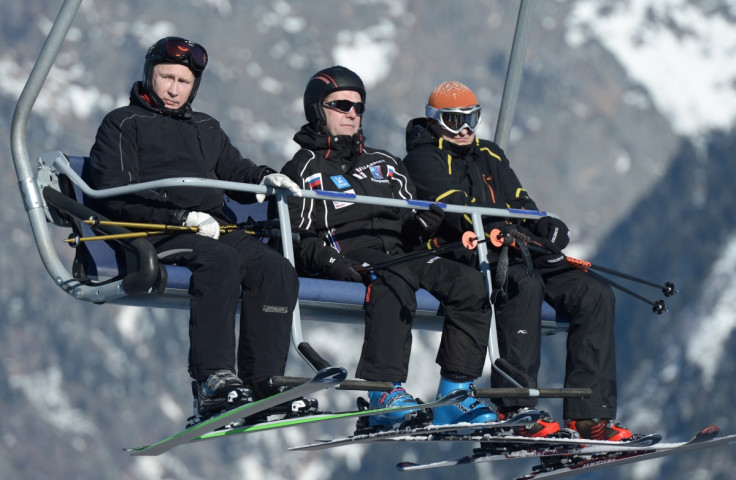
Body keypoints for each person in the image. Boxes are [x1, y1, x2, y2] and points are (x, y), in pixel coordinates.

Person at [88, 37, 306, 426]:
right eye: (165, 77)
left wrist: (264, 178)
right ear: (149, 75)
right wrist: (180, 218)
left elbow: (235, 169)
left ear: (195, 86)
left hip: (211, 227)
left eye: (183, 81)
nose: (173, 89)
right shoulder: (123, 123)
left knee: (275, 269)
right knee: (221, 262)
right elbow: (114, 192)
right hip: (155, 229)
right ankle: (212, 381)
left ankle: (264, 382)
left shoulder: (205, 127)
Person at [403, 81, 633, 441]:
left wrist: (546, 227)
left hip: (517, 246)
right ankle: (516, 407)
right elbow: (457, 210)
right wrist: (503, 226)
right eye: (453, 120)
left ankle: (590, 416)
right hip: (468, 252)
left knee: (594, 294)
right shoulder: (422, 159)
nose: (464, 129)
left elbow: (522, 204)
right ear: (434, 122)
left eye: (472, 119)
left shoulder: (490, 154)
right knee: (524, 283)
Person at [280, 65, 497, 429]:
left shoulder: (384, 164)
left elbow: (410, 219)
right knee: (394, 276)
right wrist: (331, 261)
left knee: (469, 282)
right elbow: (296, 238)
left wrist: (421, 225)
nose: (352, 113)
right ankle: (383, 391)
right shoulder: (302, 169)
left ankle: (455, 394)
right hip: (349, 251)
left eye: (358, 107)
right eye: (341, 105)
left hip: (400, 252)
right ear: (318, 109)